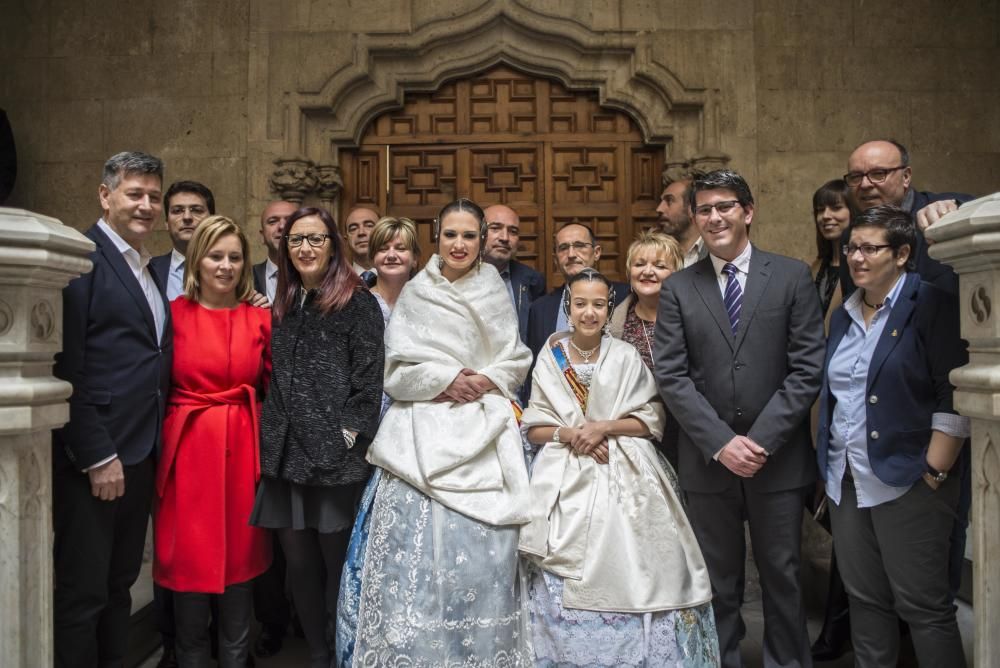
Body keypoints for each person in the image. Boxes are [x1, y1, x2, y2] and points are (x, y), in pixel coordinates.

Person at [338, 198, 533, 667]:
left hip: (485, 433)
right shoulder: (418, 292)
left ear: (482, 238)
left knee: (487, 558)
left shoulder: (493, 289)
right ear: (437, 236)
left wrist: (485, 379)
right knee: (416, 564)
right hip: (420, 434)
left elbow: (515, 356)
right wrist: (446, 379)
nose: (460, 244)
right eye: (451, 235)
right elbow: (396, 371)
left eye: (469, 235)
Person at [654, 169, 826, 668]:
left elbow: (806, 368)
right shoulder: (679, 288)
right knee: (717, 582)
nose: (714, 217)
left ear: (747, 212)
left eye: (724, 206)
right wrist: (721, 443)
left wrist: (760, 441)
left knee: (783, 577)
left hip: (778, 460)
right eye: (704, 209)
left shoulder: (791, 275)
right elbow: (672, 376)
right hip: (708, 464)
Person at [520, 267, 719, 667]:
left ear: (608, 307)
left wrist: (603, 428)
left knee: (635, 565)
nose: (589, 313)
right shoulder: (551, 354)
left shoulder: (626, 355)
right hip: (563, 472)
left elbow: (651, 419)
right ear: (568, 306)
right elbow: (534, 426)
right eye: (580, 304)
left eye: (598, 304)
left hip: (623, 466)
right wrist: (573, 434)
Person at [816, 205, 969, 668]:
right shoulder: (843, 315)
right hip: (848, 480)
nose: (856, 258)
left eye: (869, 248)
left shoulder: (932, 304)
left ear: (902, 254)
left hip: (910, 479)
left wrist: (936, 468)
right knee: (865, 600)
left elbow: (954, 390)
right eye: (850, 248)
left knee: (925, 607)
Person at [250, 207, 385, 668]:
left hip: (334, 460)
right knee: (300, 568)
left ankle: (342, 653)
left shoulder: (357, 301)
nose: (305, 248)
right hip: (286, 458)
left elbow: (369, 384)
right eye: (295, 240)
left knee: (336, 568)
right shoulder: (285, 300)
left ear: (332, 244)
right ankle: (316, 653)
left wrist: (345, 437)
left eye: (315, 239)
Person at [52, 151, 171, 668]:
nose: (147, 206)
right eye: (134, 194)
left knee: (120, 587)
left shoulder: (146, 268)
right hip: (98, 459)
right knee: (83, 595)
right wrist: (97, 454)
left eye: (153, 196)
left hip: (140, 453)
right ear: (105, 196)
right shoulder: (83, 261)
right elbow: (65, 369)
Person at [153, 215, 272, 667]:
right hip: (187, 455)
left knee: (240, 563)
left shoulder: (259, 317)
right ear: (196, 260)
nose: (225, 266)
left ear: (245, 265)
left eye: (235, 258)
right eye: (215, 256)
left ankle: (237, 658)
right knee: (188, 564)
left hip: (242, 452)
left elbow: (273, 386)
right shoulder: (171, 316)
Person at [806, 178, 858, 662]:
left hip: (849, 404)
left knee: (848, 524)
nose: (828, 216)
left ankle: (839, 626)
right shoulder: (820, 268)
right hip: (814, 406)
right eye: (821, 210)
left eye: (837, 208)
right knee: (823, 504)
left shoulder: (862, 269)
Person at [249, 199, 299, 660]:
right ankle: (271, 621)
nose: (281, 229)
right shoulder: (241, 281)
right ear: (262, 231)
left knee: (302, 527)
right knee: (268, 526)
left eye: (290, 221)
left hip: (309, 423)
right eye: (273, 222)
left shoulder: (321, 281)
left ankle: (305, 616)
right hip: (258, 420)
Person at [608, 229, 684, 468]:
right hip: (636, 434)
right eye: (639, 264)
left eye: (660, 266)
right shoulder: (612, 325)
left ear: (677, 274)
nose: (648, 271)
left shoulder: (691, 318)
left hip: (686, 429)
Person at [483, 203, 546, 342]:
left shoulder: (532, 280)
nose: (505, 237)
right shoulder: (457, 276)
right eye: (495, 228)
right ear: (478, 233)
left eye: (513, 231)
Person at [150, 181, 216, 301]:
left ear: (212, 220)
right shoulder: (148, 270)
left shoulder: (233, 271)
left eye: (196, 210)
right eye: (177, 211)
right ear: (166, 223)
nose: (187, 217)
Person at [657, 167, 707, 268]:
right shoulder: (656, 251)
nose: (659, 209)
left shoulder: (718, 253)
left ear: (692, 208)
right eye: (661, 201)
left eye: (669, 200)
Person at [252, 199, 297, 305]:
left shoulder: (315, 277)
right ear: (262, 236)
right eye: (273, 221)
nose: (282, 226)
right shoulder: (245, 277)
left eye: (289, 221)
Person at [343, 205, 380, 275]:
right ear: (346, 240)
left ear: (382, 234)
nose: (361, 232)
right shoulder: (334, 282)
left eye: (369, 226)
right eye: (353, 228)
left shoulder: (402, 280)